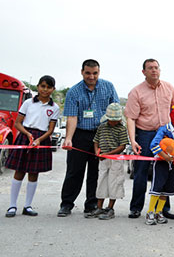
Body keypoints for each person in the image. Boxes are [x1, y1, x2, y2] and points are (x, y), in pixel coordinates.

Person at [58, 59, 119, 217]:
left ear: (99, 72)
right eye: (88, 73)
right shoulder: (74, 91)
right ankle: (66, 204)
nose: (91, 76)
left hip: (101, 134)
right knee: (74, 171)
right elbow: (72, 117)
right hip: (80, 134)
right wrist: (69, 138)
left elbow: (115, 112)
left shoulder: (108, 87)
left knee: (96, 172)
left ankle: (91, 205)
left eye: (95, 73)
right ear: (82, 72)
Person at [125, 59, 174, 220]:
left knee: (165, 171)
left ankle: (163, 209)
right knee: (141, 171)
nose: (154, 70)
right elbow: (130, 118)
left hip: (166, 135)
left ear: (160, 70)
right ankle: (136, 208)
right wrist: (133, 140)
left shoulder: (169, 88)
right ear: (143, 72)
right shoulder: (136, 92)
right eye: (150, 68)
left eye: (156, 68)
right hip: (145, 134)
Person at [5, 75, 60, 218]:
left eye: (48, 87)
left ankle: (27, 206)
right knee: (19, 171)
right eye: (43, 86)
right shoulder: (28, 103)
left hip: (41, 139)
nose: (45, 89)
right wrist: (28, 135)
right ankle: (12, 206)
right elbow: (18, 123)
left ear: (53, 89)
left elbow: (50, 129)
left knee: (33, 173)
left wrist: (39, 140)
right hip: (25, 136)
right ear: (38, 86)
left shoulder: (54, 108)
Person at [145, 105, 174, 225]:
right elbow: (154, 144)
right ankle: (150, 212)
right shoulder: (164, 130)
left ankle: (159, 211)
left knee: (166, 190)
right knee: (157, 187)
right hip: (161, 164)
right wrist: (164, 156)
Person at [87, 103, 128, 220]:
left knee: (114, 183)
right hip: (103, 159)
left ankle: (110, 208)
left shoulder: (121, 129)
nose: (113, 122)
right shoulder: (102, 127)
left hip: (115, 159)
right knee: (101, 182)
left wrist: (108, 154)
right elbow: (96, 141)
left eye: (115, 120)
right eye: (111, 120)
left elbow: (122, 146)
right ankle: (99, 207)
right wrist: (97, 152)